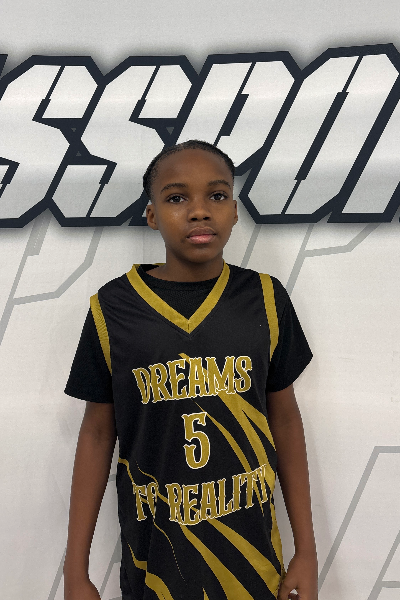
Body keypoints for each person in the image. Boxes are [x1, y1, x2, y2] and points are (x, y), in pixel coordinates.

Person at [63, 140, 318, 600]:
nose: (199, 211)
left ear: (235, 211)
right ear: (152, 215)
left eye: (216, 196)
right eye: (177, 197)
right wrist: (75, 571)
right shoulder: (113, 308)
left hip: (253, 564)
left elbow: (284, 419)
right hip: (155, 566)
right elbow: (98, 434)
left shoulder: (265, 298)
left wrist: (307, 550)